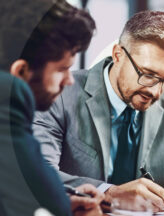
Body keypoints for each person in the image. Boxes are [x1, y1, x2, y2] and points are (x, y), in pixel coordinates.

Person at [33, 10, 164, 214]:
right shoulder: (61, 93)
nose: (156, 91)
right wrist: (109, 193)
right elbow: (36, 172)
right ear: (117, 55)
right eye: (148, 74)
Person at [0, 0, 106, 215]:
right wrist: (57, 205)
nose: (69, 81)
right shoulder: (7, 102)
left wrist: (61, 196)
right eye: (62, 69)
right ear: (20, 72)